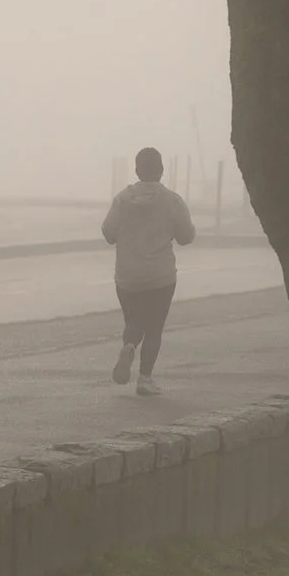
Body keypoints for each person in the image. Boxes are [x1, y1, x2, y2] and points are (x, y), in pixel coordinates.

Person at [102, 146, 196, 396]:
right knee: (154, 327)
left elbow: (108, 233)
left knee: (134, 320)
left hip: (127, 276)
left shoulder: (122, 199)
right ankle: (145, 378)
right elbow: (187, 237)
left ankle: (129, 345)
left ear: (136, 170)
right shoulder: (172, 200)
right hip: (160, 276)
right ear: (161, 170)